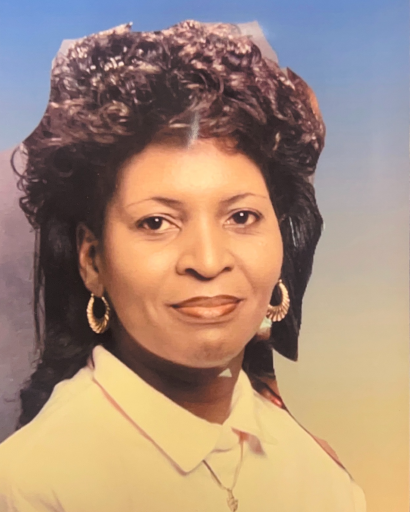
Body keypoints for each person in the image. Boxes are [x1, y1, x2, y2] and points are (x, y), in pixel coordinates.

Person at [0, 20, 366, 512]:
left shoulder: (323, 477)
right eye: (156, 222)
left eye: (242, 216)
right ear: (92, 260)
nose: (208, 262)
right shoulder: (31, 486)